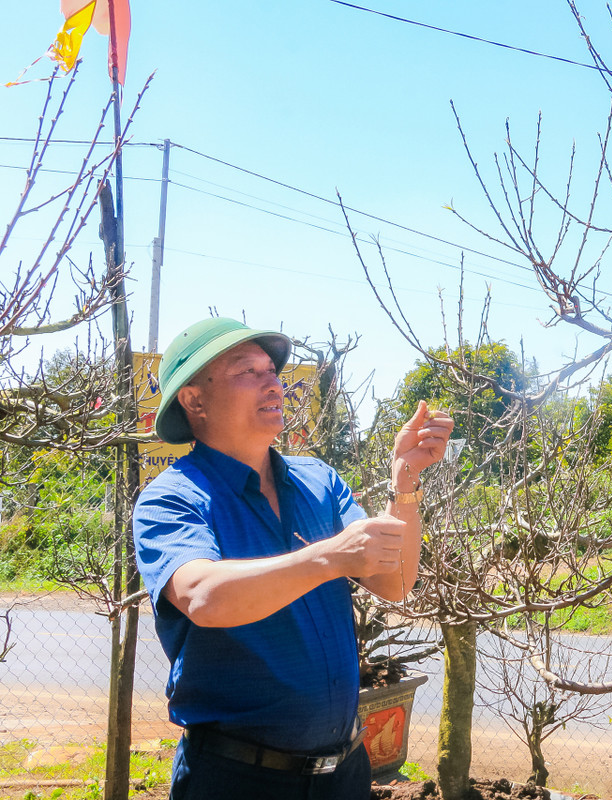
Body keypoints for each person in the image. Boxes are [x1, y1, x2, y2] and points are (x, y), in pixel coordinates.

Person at [133, 317, 453, 800]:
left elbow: (395, 582)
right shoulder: (172, 498)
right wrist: (329, 558)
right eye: (248, 371)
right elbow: (204, 597)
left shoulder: (318, 480)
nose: (273, 384)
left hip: (345, 773)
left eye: (272, 370)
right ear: (194, 400)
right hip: (237, 780)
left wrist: (404, 480)